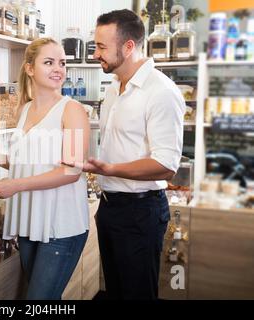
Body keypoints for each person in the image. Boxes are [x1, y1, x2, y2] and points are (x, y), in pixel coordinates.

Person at [0, 37, 91, 300]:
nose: (58, 69)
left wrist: (15, 185)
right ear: (29, 68)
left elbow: (71, 172)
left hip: (61, 225)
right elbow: (29, 162)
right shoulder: (24, 110)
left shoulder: (72, 111)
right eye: (49, 62)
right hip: (30, 221)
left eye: (61, 63)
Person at [81, 9, 185, 299]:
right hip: (110, 207)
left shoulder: (161, 92)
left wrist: (109, 169)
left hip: (140, 212)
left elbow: (166, 165)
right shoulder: (114, 88)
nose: (95, 54)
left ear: (128, 47)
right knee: (116, 291)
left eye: (102, 47)